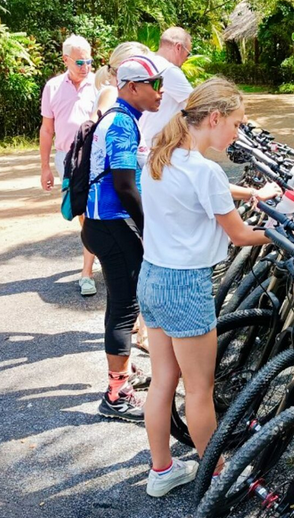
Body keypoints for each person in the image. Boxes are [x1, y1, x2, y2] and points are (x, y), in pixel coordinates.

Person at [136, 78, 281, 497]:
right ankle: (218, 476)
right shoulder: (206, 170)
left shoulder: (161, 158)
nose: (237, 133)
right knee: (200, 390)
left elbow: (211, 190)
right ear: (214, 118)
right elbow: (239, 236)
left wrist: (251, 191)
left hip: (152, 279)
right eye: (235, 124)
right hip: (185, 286)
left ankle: (161, 470)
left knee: (163, 382)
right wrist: (282, 232)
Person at [81, 55, 165, 422]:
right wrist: (150, 230)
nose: (160, 92)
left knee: (121, 302)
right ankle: (115, 395)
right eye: (154, 85)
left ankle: (125, 374)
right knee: (124, 308)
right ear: (132, 87)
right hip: (112, 225)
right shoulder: (120, 124)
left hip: (107, 224)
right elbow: (125, 186)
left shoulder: (124, 119)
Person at [39, 35, 102, 297]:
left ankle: (87, 273)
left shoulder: (100, 85)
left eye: (89, 60)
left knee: (92, 212)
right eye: (79, 61)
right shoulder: (53, 87)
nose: (85, 66)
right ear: (65, 60)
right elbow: (47, 130)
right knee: (82, 213)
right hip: (67, 157)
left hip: (96, 156)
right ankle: (95, 252)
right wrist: (44, 167)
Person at [138, 27, 194, 146]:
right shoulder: (169, 70)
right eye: (187, 53)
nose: (187, 58)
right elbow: (197, 102)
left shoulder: (146, 63)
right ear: (178, 47)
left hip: (143, 140)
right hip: (159, 143)